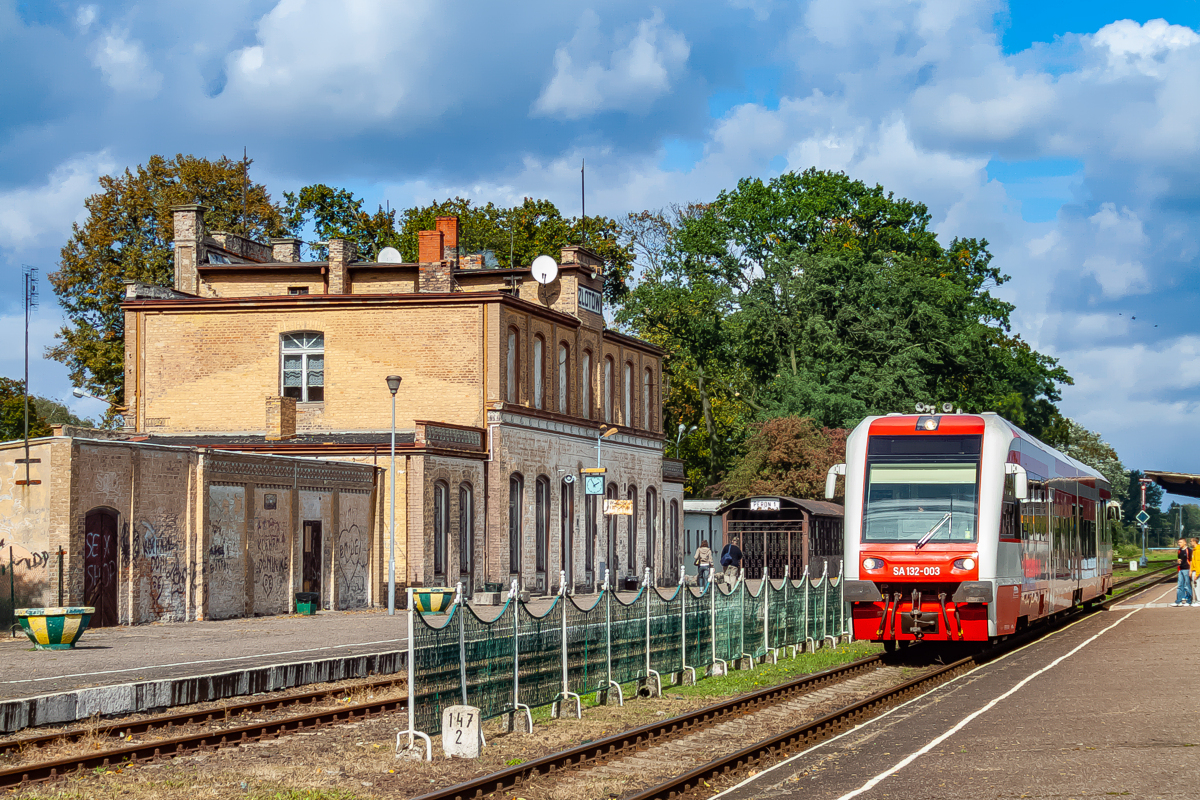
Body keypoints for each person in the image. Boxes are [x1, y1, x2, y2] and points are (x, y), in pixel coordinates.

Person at [1173, 538, 1192, 606]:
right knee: (1180, 585)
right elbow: (1179, 558)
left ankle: (1189, 601)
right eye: (1178, 542)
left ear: (1185, 543)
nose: (1179, 544)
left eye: (1180, 542)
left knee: (1187, 586)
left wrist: (1190, 570)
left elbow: (1191, 561)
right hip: (1180, 569)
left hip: (1187, 569)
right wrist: (1178, 562)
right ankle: (1178, 601)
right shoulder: (1179, 550)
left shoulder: (1189, 550)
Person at [1191, 537, 1200, 607]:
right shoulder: (1194, 550)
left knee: (1196, 585)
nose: (1190, 542)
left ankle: (1199, 601)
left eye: (1191, 541)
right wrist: (1191, 570)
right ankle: (1197, 600)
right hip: (1194, 570)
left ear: (1195, 542)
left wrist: (1197, 573)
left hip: (1197, 571)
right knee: (1195, 585)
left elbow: (1198, 563)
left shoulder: (1198, 551)